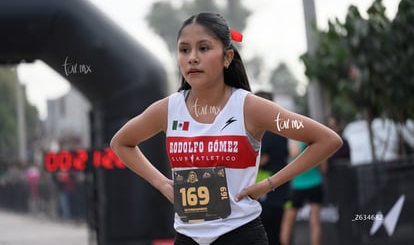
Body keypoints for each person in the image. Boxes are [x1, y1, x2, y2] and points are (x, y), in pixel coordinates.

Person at [110, 12, 342, 245]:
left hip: (241, 234)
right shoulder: (168, 109)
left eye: (203, 48)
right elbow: (121, 143)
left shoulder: (250, 107)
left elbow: (326, 139)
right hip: (187, 237)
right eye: (184, 50)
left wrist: (270, 183)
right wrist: (161, 183)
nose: (192, 58)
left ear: (227, 57)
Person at [255, 91, 289, 245]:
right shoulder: (282, 130)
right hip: (280, 190)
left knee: (267, 235)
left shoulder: (264, 132)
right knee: (277, 234)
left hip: (265, 191)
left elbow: (261, 160)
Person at [280, 141, 327, 245]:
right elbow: (324, 168)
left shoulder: (295, 142)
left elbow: (291, 156)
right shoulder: (317, 143)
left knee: (287, 224)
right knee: (315, 221)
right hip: (315, 183)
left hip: (298, 186)